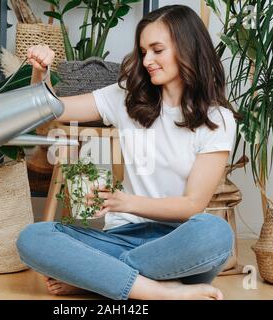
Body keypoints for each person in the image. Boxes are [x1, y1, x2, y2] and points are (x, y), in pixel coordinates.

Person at [16, 4, 239, 300]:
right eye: (143, 51)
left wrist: (128, 202)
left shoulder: (218, 120)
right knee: (33, 238)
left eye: (157, 50)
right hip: (120, 239)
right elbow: (51, 113)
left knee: (215, 232)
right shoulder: (126, 96)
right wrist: (40, 73)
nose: (147, 60)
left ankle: (97, 279)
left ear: (187, 48)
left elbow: (192, 205)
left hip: (175, 246)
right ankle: (163, 292)